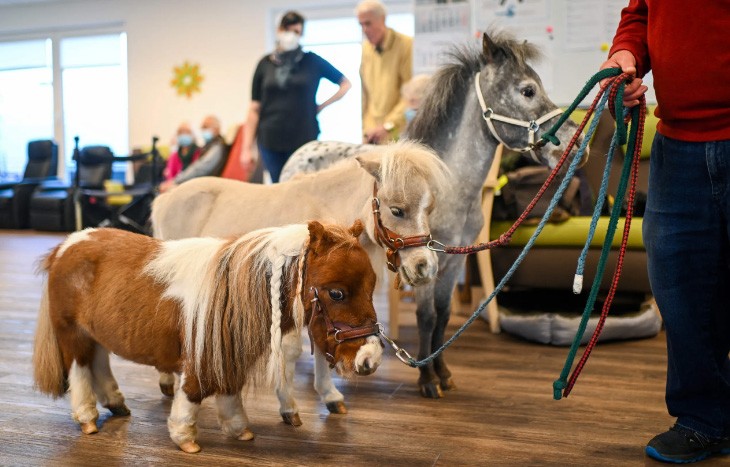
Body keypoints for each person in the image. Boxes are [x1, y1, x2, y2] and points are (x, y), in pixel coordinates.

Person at [600, 1, 730, 463]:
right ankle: (704, 420)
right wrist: (625, 55)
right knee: (680, 287)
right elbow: (640, 14)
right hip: (677, 143)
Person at [240, 11, 351, 183]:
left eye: (296, 31)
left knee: (302, 186)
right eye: (287, 30)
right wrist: (246, 148)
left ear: (301, 34)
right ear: (279, 30)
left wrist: (321, 106)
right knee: (279, 186)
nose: (291, 35)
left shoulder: (312, 61)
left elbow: (345, 83)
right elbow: (254, 108)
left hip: (304, 138)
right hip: (270, 139)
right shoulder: (265, 64)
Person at [356, 0, 412, 144]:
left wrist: (388, 126)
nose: (364, 30)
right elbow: (365, 96)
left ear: (382, 19)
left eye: (368, 23)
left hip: (397, 132)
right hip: (372, 134)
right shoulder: (366, 49)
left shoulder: (406, 45)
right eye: (361, 25)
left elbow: (409, 94)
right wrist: (367, 129)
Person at [159, 115, 228, 192]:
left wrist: (176, 181)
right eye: (202, 127)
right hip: (193, 181)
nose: (202, 130)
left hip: (205, 185)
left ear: (216, 129)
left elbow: (200, 168)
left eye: (205, 127)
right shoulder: (208, 146)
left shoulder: (217, 146)